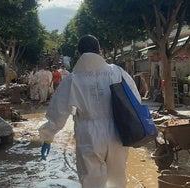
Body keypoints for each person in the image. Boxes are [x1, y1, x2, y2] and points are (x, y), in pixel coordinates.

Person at [38, 34, 141, 188]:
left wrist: (47, 136)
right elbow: (136, 101)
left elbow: (58, 113)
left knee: (92, 183)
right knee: (117, 181)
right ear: (99, 51)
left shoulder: (73, 79)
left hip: (89, 135)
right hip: (119, 132)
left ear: (78, 54)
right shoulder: (117, 72)